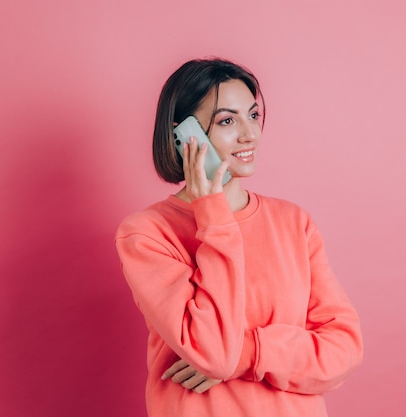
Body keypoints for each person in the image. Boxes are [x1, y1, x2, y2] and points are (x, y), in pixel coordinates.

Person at [114, 58, 363, 417]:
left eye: (253, 115)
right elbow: (212, 354)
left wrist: (247, 353)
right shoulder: (146, 234)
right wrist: (213, 216)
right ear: (183, 134)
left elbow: (344, 349)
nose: (249, 134)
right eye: (227, 121)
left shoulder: (293, 222)